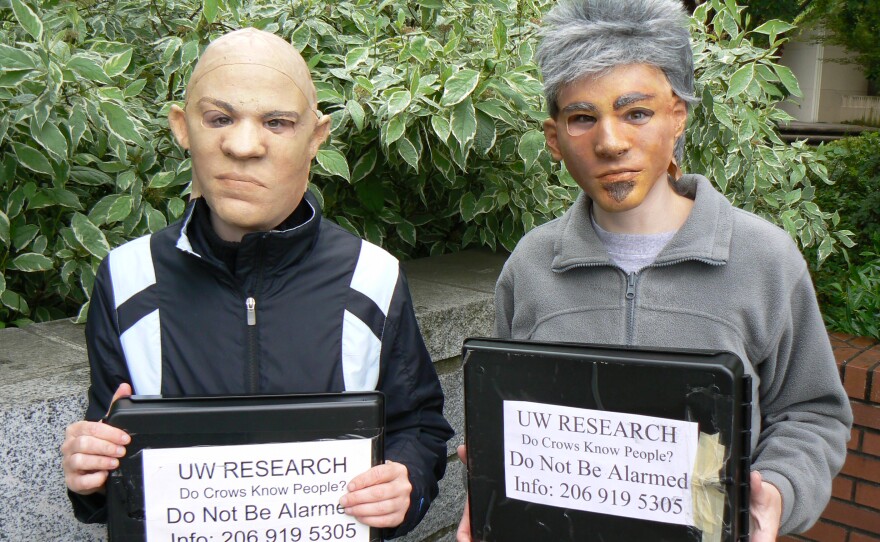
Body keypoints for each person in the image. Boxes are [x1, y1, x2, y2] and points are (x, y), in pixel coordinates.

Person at [457, 0, 852, 540]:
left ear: (678, 116)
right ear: (554, 138)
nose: (611, 141)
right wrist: (492, 473)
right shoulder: (530, 265)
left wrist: (778, 489)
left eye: (636, 112)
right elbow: (512, 414)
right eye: (582, 118)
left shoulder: (765, 259)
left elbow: (812, 413)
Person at [60, 27, 453, 538]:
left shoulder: (372, 276)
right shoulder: (128, 276)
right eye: (219, 118)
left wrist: (406, 483)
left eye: (277, 122)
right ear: (182, 127)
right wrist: (90, 473)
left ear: (316, 137)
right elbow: (112, 449)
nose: (243, 145)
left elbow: (417, 429)